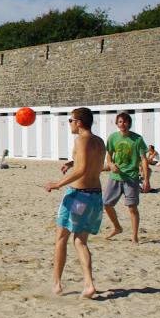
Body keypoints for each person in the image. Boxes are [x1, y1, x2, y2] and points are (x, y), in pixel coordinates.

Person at [44, 107, 106, 299]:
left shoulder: (81, 140)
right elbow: (92, 165)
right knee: (80, 241)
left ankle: (57, 284)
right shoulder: (99, 141)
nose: (69, 123)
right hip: (95, 196)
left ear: (79, 122)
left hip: (78, 196)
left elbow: (82, 170)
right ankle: (88, 284)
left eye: (70, 120)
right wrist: (72, 163)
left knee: (61, 238)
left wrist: (57, 184)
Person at [102, 112, 150, 243]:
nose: (122, 124)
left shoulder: (137, 139)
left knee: (132, 207)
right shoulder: (112, 138)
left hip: (131, 177)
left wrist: (146, 179)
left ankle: (134, 236)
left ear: (129, 123)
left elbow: (144, 159)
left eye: (124, 122)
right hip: (115, 177)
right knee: (106, 204)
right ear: (117, 124)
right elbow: (109, 155)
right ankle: (117, 227)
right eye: (120, 122)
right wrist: (111, 164)